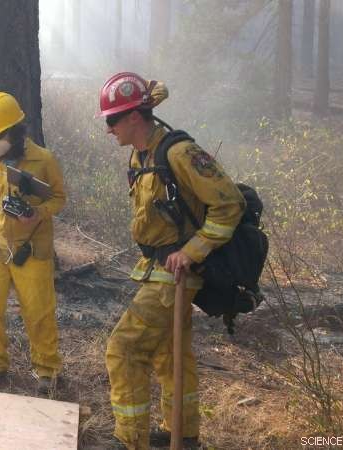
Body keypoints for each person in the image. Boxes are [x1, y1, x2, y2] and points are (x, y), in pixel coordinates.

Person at [97, 72, 245, 449]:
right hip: (156, 267)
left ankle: (128, 440)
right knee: (169, 353)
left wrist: (192, 251)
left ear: (134, 117)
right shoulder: (141, 154)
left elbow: (230, 203)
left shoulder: (179, 153)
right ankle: (184, 432)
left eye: (113, 120)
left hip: (178, 270)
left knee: (125, 348)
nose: (109, 128)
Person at [0, 91, 66, 394]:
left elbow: (59, 199)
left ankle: (47, 370)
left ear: (14, 131)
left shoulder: (43, 159)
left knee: (38, 311)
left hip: (33, 250)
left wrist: (38, 212)